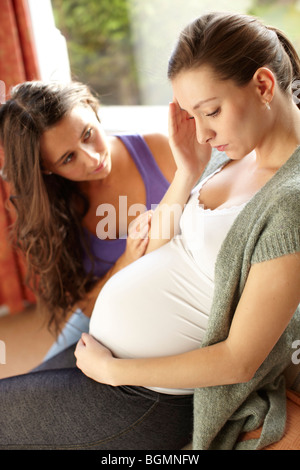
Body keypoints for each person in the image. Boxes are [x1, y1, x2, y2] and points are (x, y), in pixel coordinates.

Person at [0, 11, 300, 450]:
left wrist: (114, 371)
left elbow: (239, 361)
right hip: (109, 355)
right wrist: (187, 172)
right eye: (192, 115)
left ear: (263, 86)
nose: (202, 131)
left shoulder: (289, 201)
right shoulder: (233, 150)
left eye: (211, 111)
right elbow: (161, 250)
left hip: (147, 395)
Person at [0, 80, 176, 361]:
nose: (92, 158)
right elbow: (88, 306)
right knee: (39, 384)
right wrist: (127, 259)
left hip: (170, 301)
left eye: (88, 134)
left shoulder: (160, 149)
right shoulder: (55, 211)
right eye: (68, 158)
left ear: (92, 109)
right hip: (107, 308)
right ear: (46, 168)